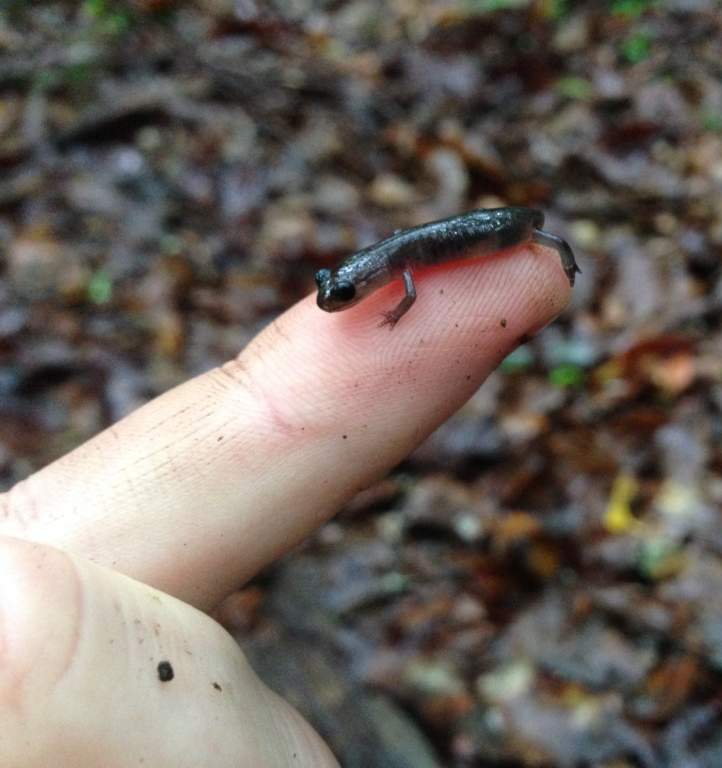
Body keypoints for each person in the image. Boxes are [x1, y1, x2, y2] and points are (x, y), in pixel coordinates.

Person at [0, 244, 571, 767]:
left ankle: (555, 252)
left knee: (533, 245)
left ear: (370, 278)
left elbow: (414, 292)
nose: (333, 299)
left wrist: (399, 312)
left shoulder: (401, 268)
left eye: (342, 293)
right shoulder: (394, 263)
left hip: (499, 233)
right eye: (332, 287)